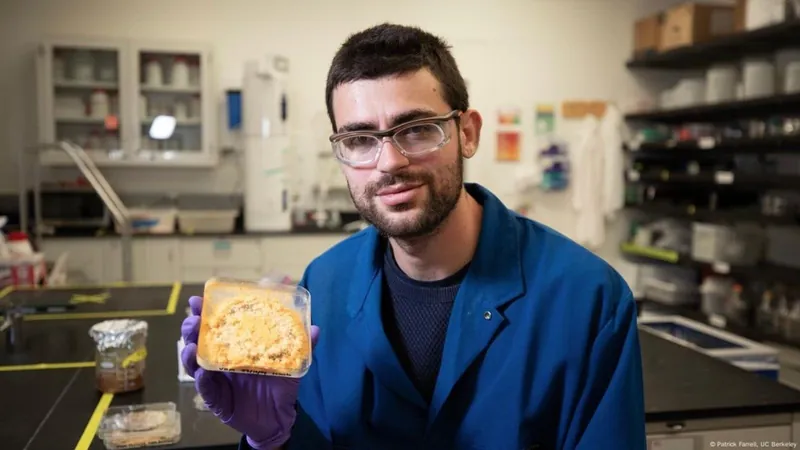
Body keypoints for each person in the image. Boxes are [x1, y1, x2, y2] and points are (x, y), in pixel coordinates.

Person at [180, 23, 646, 450]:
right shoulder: (324, 284)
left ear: (467, 132)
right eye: (360, 140)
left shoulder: (588, 301)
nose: (389, 163)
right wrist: (273, 438)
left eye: (417, 130)